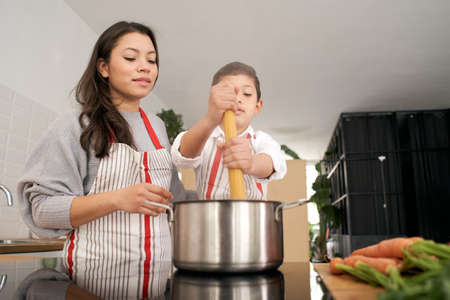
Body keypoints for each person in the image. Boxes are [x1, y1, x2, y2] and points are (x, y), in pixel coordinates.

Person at [17, 21, 181, 299]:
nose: (145, 67)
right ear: (103, 68)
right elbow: (42, 209)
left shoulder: (158, 127)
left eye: (151, 60)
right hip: (91, 282)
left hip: (155, 282)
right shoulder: (75, 125)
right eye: (131, 58)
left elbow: (174, 197)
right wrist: (117, 199)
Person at [171, 61, 287, 200]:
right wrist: (210, 118)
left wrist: (251, 163)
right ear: (213, 100)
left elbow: (273, 161)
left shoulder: (260, 140)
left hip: (253, 219)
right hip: (209, 219)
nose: (237, 99)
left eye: (247, 93)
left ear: (258, 106)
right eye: (228, 94)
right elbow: (182, 157)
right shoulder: (204, 138)